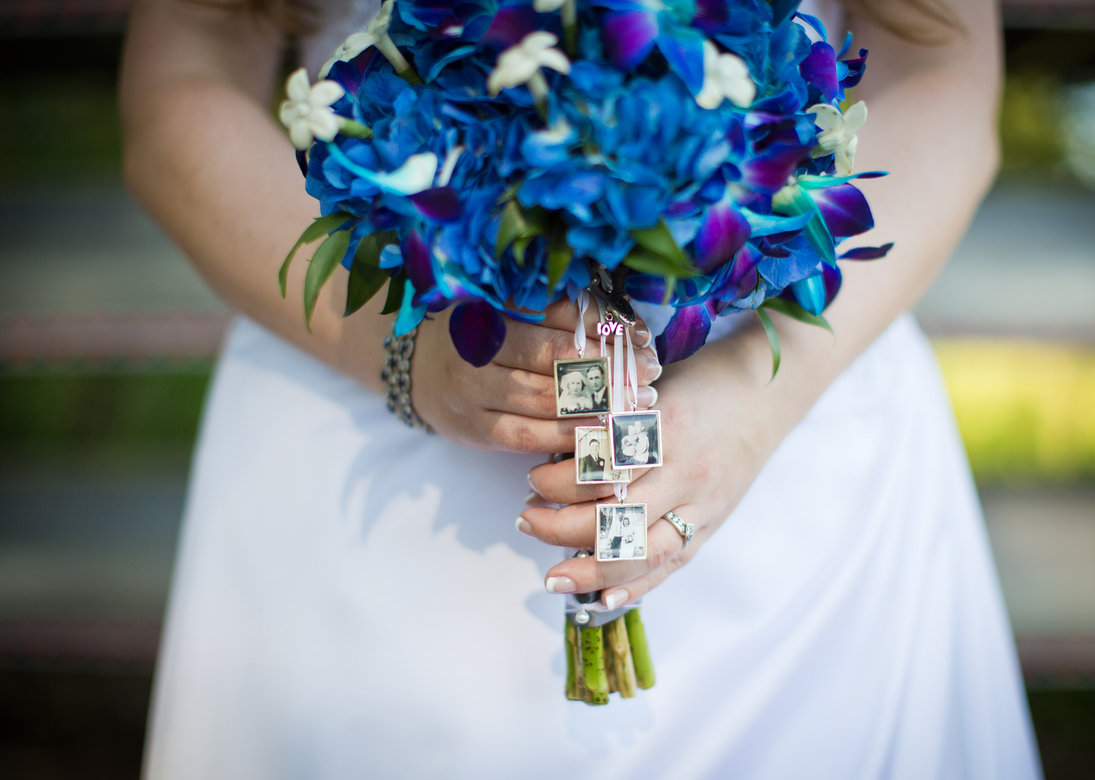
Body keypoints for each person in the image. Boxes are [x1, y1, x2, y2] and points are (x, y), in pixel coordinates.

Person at [122, 0, 1041, 776]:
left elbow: (943, 63)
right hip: (368, 412)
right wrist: (399, 358)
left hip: (789, 428)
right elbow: (186, 68)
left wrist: (758, 402)